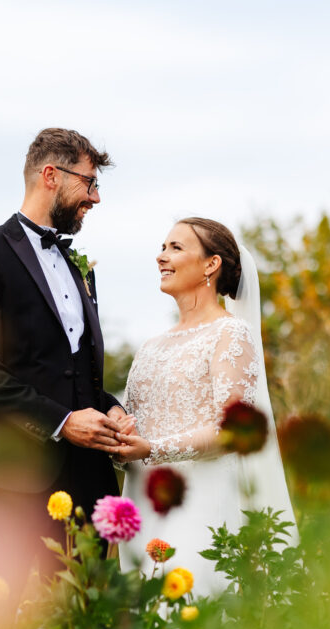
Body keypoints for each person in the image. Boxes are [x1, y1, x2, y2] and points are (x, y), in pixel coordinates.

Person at [0, 128, 128, 598]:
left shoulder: (79, 267)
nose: (96, 197)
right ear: (51, 175)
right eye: (89, 183)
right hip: (9, 474)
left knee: (84, 622)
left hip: (85, 477)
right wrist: (62, 422)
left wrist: (108, 406)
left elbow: (71, 368)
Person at [107, 217, 297, 597]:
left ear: (211, 264)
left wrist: (154, 450)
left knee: (186, 621)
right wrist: (118, 436)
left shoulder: (230, 334)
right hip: (141, 506)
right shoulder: (150, 347)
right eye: (163, 247)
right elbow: (137, 426)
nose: (161, 257)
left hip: (200, 504)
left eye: (176, 248)